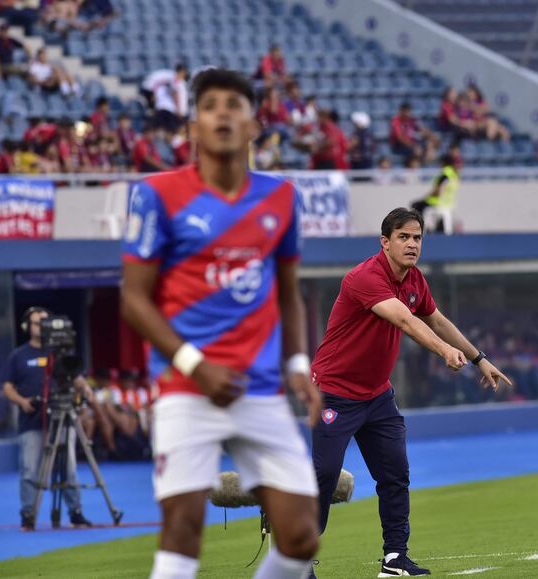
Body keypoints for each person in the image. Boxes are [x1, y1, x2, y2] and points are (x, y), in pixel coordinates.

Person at [121, 68, 321, 579]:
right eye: (210, 105)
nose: (223, 113)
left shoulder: (281, 198)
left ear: (254, 123)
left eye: (235, 103)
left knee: (301, 537)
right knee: (183, 529)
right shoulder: (157, 194)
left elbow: (288, 292)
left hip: (259, 389)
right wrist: (196, 364)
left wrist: (298, 363)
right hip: (186, 387)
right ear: (193, 126)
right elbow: (134, 300)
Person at [310, 208, 512, 578]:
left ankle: (394, 559)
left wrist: (479, 358)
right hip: (334, 393)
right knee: (323, 474)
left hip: (377, 396)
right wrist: (443, 351)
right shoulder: (364, 277)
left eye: (417, 237)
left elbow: (436, 319)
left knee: (395, 474)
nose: (412, 244)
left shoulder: (415, 279)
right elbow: (404, 319)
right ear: (385, 243)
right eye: (403, 237)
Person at [1, 307, 93, 531]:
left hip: (61, 416)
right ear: (27, 327)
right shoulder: (18, 356)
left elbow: (77, 377)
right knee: (30, 470)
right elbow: (7, 387)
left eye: (45, 322)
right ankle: (28, 515)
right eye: (36, 323)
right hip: (31, 421)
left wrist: (88, 393)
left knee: (68, 468)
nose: (41, 327)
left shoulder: (59, 353)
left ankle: (76, 513)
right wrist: (22, 402)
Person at [411, 149, 460, 234]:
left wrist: (426, 196)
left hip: (438, 202)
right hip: (449, 203)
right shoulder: (454, 175)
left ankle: (421, 231)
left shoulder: (445, 174)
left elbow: (437, 190)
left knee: (416, 206)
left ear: (443, 163)